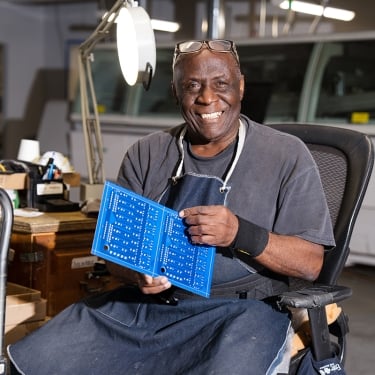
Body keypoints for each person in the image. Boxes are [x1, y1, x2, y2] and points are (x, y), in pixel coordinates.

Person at [8, 39, 335, 375]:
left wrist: (240, 233)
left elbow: (310, 264)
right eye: (192, 85)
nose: (207, 98)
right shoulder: (147, 153)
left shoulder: (285, 155)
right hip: (148, 308)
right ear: (176, 91)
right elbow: (112, 257)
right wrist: (136, 274)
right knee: (42, 356)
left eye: (221, 84)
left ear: (240, 86)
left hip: (240, 314)